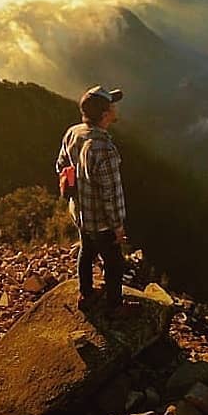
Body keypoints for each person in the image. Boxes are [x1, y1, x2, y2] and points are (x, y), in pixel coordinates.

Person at [56, 85, 136, 316]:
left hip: (80, 213)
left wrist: (76, 187)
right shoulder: (104, 149)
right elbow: (111, 194)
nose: (115, 107)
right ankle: (114, 305)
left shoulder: (73, 133)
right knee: (114, 263)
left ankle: (86, 294)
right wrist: (118, 226)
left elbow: (61, 166)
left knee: (87, 250)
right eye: (112, 105)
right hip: (101, 221)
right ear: (105, 115)